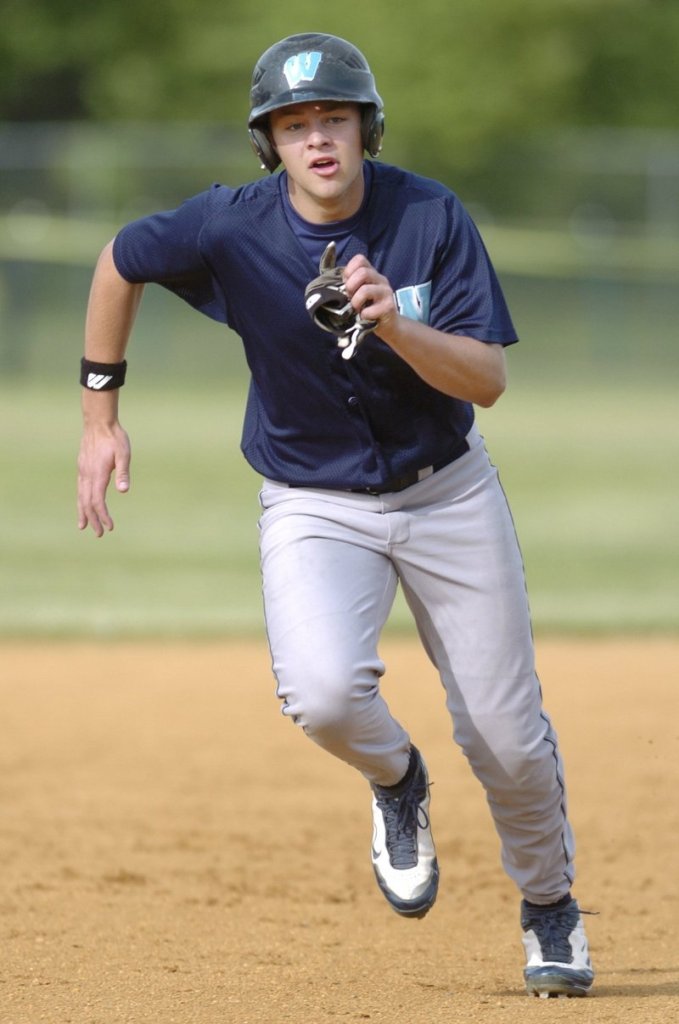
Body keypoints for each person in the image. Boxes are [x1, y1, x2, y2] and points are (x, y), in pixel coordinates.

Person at [77, 33, 595, 999]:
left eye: (333, 118)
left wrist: (396, 324)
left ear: (366, 127)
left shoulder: (429, 215)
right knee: (321, 694)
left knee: (505, 735)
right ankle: (398, 780)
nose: (316, 138)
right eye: (293, 123)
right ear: (268, 143)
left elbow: (486, 380)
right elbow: (119, 260)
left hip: (445, 492)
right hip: (313, 501)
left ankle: (549, 906)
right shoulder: (232, 226)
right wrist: (99, 417)